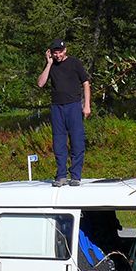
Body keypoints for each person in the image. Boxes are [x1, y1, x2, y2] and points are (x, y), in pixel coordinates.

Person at [37, 38, 91, 187]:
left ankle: (75, 175)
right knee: (59, 142)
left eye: (60, 52)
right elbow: (40, 83)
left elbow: (85, 83)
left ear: (65, 50)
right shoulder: (51, 65)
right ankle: (61, 175)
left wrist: (87, 105)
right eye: (55, 52)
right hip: (57, 107)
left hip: (73, 106)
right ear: (51, 53)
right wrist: (48, 63)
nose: (58, 55)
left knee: (77, 141)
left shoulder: (75, 63)